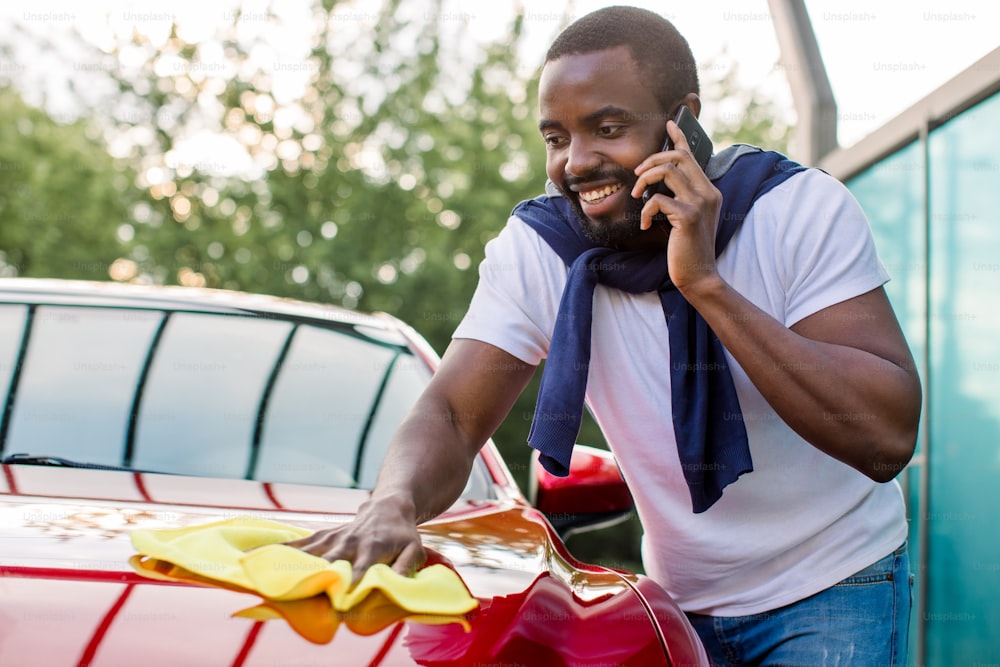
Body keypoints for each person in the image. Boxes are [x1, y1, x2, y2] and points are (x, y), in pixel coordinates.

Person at [290, 6, 921, 665]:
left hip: (835, 583)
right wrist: (392, 502)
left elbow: (884, 439)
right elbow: (451, 413)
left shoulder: (795, 209)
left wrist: (704, 284)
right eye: (555, 137)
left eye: (607, 128)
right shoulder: (542, 249)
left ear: (684, 121)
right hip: (676, 601)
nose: (576, 162)